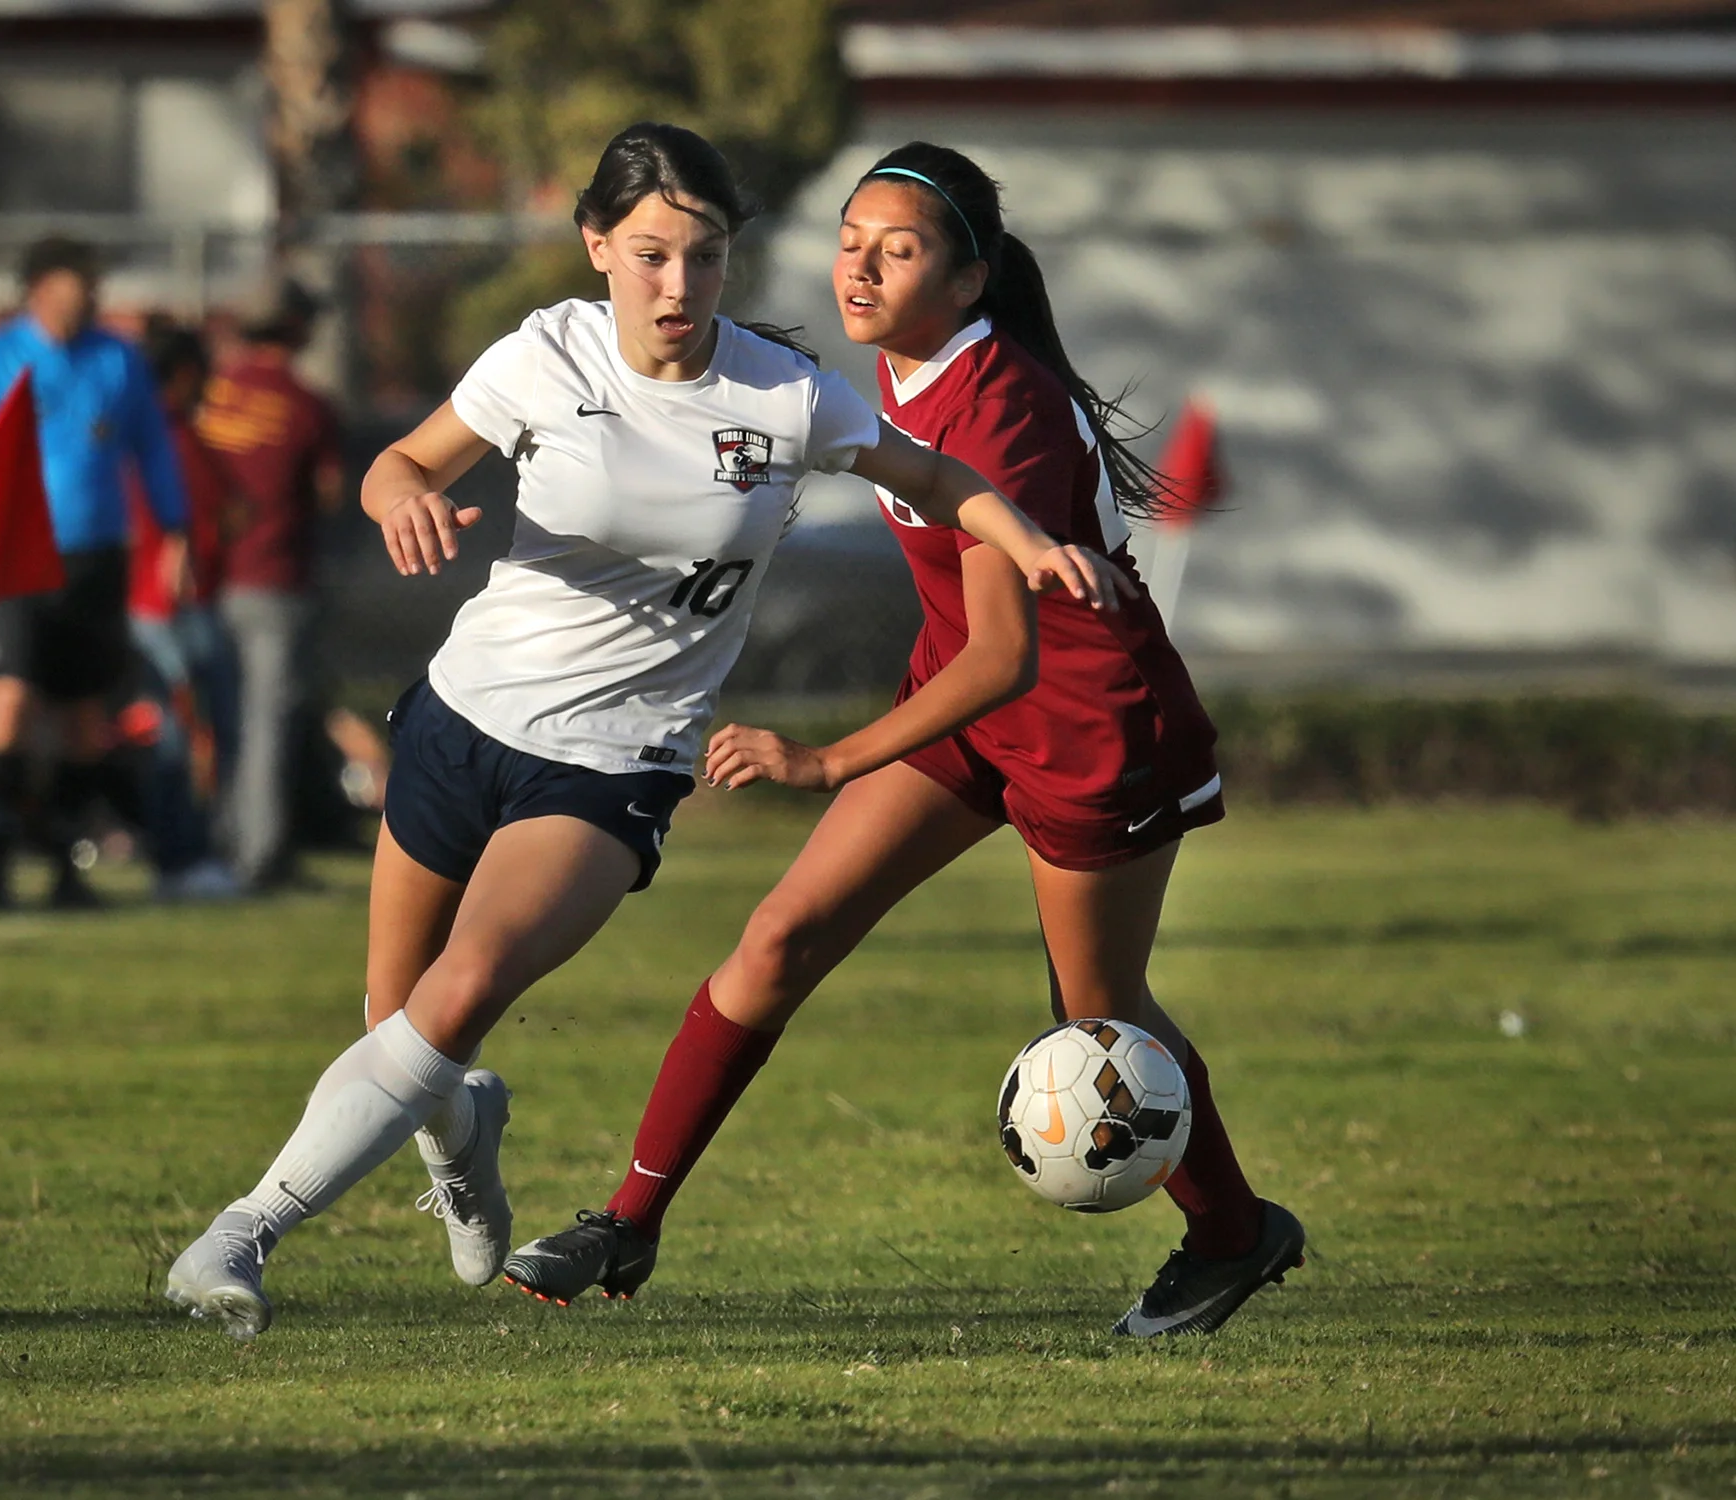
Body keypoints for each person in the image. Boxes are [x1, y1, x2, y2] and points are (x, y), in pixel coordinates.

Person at [163, 122, 1136, 1340]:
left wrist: (1032, 540)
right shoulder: (544, 352)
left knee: (455, 999)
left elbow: (938, 478)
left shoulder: (783, 398)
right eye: (652, 255)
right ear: (597, 247)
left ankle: (238, 1236)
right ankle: (465, 1137)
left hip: (611, 766)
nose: (681, 286)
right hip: (461, 717)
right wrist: (403, 489)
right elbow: (402, 462)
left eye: (708, 257)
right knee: (398, 1029)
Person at [503, 143, 1304, 1339]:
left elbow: (1009, 658)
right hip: (966, 707)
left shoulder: (1000, 407)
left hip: (1087, 726)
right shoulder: (896, 373)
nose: (861, 267)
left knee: (1099, 1019)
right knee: (781, 934)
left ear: (971, 280)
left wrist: (829, 760)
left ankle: (1236, 1234)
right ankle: (630, 1220)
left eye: (900, 248)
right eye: (849, 240)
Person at [0, 234, 191, 910]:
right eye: (76, 285)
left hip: (96, 557)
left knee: (83, 716)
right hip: (16, 557)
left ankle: (66, 869)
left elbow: (152, 447)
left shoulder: (118, 360)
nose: (88, 299)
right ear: (41, 289)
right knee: (9, 701)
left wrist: (174, 527)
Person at [194, 279, 344, 890]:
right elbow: (331, 495)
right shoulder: (309, 405)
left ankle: (219, 845)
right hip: (277, 581)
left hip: (205, 582)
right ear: (297, 329)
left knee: (218, 721)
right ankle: (261, 858)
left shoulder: (211, 394)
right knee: (266, 726)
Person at [128, 322, 240, 900]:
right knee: (184, 734)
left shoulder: (157, 437)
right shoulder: (166, 439)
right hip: (168, 607)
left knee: (186, 732)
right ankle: (182, 857)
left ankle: (189, 852)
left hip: (163, 603)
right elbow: (198, 515)